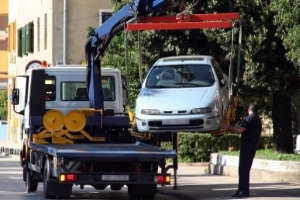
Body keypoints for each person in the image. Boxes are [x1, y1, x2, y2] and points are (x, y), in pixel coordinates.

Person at [222, 102, 262, 198]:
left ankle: (243, 191)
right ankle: (242, 190)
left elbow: (240, 129)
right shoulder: (258, 119)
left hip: (247, 145)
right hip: (253, 145)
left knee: (243, 169)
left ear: (249, 109)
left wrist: (228, 127)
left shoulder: (249, 118)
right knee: (246, 168)